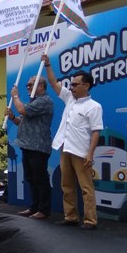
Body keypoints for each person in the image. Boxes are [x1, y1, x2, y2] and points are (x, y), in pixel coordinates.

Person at [42, 54, 104, 230]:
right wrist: (47, 65)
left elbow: (95, 132)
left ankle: (90, 220)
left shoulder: (94, 106)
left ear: (87, 85)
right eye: (72, 84)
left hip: (81, 151)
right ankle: (71, 217)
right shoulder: (69, 98)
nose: (72, 87)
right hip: (65, 147)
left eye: (76, 84)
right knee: (66, 185)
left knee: (86, 186)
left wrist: (90, 153)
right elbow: (54, 84)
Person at [5, 76, 54, 219]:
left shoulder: (44, 101)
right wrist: (13, 117)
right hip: (27, 146)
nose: (27, 87)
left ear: (41, 86)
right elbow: (22, 121)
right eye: (27, 85)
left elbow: (22, 110)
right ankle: (35, 207)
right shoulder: (34, 102)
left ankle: (44, 210)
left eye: (30, 85)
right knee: (31, 178)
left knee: (40, 179)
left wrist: (15, 96)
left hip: (38, 147)